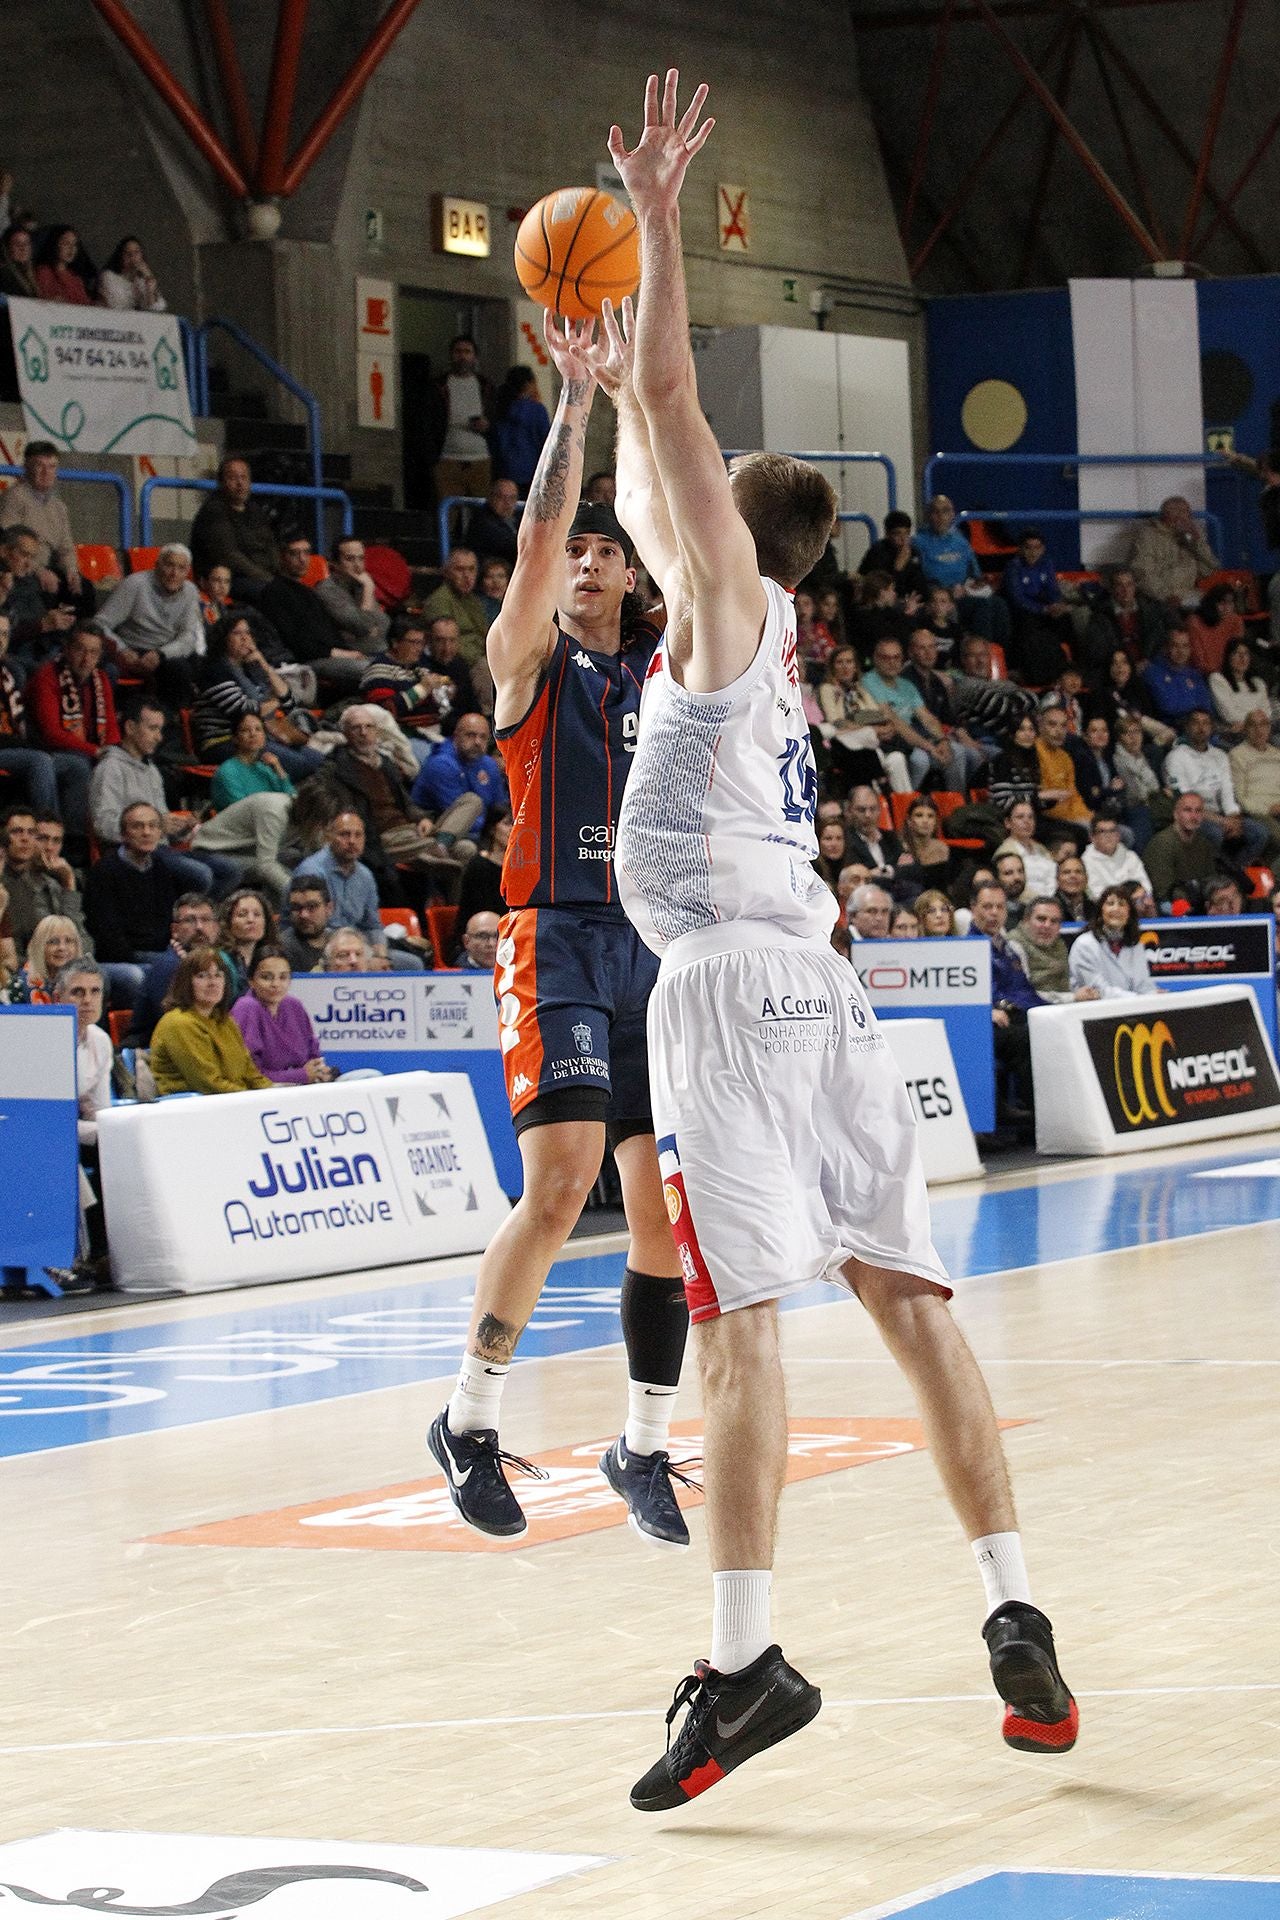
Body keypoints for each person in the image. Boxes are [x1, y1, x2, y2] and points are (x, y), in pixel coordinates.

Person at [605, 73, 1073, 1810]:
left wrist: (656, 210)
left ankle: (743, 1666)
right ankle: (1011, 1605)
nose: (677, 511)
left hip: (728, 992)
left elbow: (672, 403)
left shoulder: (725, 612)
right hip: (825, 993)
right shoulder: (748, 623)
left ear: (736, 532)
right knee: (915, 1306)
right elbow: (653, 471)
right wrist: (587, 402)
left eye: (697, 506)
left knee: (743, 1336)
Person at [427, 300, 690, 1561]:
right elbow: (532, 536)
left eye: (605, 552)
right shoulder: (527, 662)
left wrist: (649, 393)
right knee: (564, 1181)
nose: (584, 563)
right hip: (553, 935)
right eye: (575, 552)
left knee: (661, 1212)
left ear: (633, 575)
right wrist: (581, 397)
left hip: (653, 946)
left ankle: (641, 1440)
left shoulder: (664, 671)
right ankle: (468, 1418)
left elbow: (697, 534)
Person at [84, 801, 213, 982]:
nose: (146, 832)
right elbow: (107, 936)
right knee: (180, 970)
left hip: (161, 952)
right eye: (138, 826)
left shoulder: (161, 867)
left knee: (208, 963)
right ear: (123, 834)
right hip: (125, 958)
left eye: (153, 826)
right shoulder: (104, 871)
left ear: (160, 832)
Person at [191, 613, 323, 783]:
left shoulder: (250, 669)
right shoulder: (215, 671)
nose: (245, 638)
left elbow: (290, 701)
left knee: (319, 760)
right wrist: (277, 702)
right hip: (222, 741)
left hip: (259, 737)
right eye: (237, 633)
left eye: (248, 633)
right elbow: (243, 711)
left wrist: (264, 665)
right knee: (301, 765)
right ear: (224, 638)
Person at [292, 808, 423, 971]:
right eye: (344, 834)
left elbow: (372, 925)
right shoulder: (312, 871)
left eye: (358, 835)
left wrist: (380, 955)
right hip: (318, 947)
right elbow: (310, 925)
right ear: (329, 837)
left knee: (412, 964)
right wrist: (362, 959)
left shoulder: (365, 875)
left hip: (357, 946)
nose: (352, 841)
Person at [51, 956, 114, 1289]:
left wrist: (106, 1127)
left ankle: (109, 1253)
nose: (87, 1000)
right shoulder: (43, 1041)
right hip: (40, 1132)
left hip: (74, 1127)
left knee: (116, 1144)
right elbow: (49, 1118)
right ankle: (76, 1256)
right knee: (64, 1152)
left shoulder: (100, 1041)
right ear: (58, 997)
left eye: (94, 992)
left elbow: (100, 1109)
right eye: (77, 992)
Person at [0, 608, 92, 830]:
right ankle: (47, 835)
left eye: (4, 635)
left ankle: (73, 846)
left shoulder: (7, 674)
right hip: (8, 749)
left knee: (76, 765)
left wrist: (32, 745)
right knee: (39, 762)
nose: (0, 640)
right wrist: (28, 748)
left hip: (16, 748)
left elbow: (22, 723)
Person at [149, 945, 272, 1096]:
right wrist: (253, 1098)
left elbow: (250, 1072)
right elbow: (208, 1083)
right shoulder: (178, 1023)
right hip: (192, 1108)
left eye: (218, 975)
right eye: (202, 976)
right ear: (186, 982)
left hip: (233, 1100)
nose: (213, 982)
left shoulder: (225, 1021)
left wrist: (272, 1093)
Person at [94, 544, 205, 709]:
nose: (174, 573)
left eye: (181, 568)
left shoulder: (190, 591)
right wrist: (121, 649)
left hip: (166, 652)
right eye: (169, 565)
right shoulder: (134, 584)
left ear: (187, 572)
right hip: (133, 649)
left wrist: (161, 654)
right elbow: (99, 623)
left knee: (186, 668)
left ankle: (172, 722)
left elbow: (189, 637)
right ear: (157, 565)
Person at [256, 533, 369, 694]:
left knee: (385, 667)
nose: (302, 559)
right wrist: (341, 653)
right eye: (294, 553)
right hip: (306, 661)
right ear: (282, 557)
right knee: (371, 670)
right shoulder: (274, 593)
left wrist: (348, 652)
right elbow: (295, 642)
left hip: (328, 655)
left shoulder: (307, 592)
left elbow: (328, 632)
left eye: (306, 553)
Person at [0, 443, 100, 617]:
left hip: (49, 567)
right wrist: (38, 571)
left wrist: (71, 571)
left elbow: (66, 548)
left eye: (52, 467)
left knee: (83, 588)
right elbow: (8, 543)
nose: (46, 472)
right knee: (38, 589)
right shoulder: (14, 498)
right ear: (26, 468)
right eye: (39, 466)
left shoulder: (59, 507)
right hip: (23, 569)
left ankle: (81, 638)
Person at [1164, 708, 1269, 865]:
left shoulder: (1220, 755)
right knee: (1215, 833)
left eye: (1206, 723)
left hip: (1221, 815)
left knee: (1260, 833)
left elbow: (1227, 790)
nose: (1201, 728)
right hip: (1194, 815)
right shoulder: (1176, 757)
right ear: (1187, 727)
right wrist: (1222, 822)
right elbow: (1184, 801)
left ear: (1212, 728)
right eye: (1196, 723)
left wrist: (1233, 819)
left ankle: (1236, 871)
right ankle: (1211, 875)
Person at [913, 494, 1010, 646]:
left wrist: (978, 584)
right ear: (928, 515)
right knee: (982, 606)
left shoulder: (960, 540)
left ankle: (1002, 658)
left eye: (945, 511)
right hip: (937, 595)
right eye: (935, 512)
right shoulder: (918, 542)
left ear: (952, 515)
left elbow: (975, 574)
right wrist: (949, 592)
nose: (940, 517)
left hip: (963, 591)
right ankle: (979, 653)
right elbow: (916, 578)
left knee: (999, 604)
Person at [232, 943, 335, 1084]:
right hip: (265, 1094)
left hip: (306, 1088)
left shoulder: (294, 1005)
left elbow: (313, 1055)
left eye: (283, 977)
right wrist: (301, 1075)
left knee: (367, 1075)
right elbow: (250, 1075)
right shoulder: (247, 1008)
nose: (275, 984)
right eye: (266, 977)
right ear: (251, 981)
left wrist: (319, 1071)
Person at [127, 891, 220, 1044]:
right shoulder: (167, 966)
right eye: (189, 920)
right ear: (174, 931)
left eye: (205, 919)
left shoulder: (218, 964)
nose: (199, 927)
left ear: (216, 928)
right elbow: (176, 1025)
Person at [0, 804, 89, 966]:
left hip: (56, 969)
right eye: (16, 832)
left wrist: (69, 882)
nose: (25, 839)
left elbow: (81, 943)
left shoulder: (49, 884)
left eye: (31, 833)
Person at [410, 712, 508, 852]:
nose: (477, 742)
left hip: (476, 834)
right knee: (474, 803)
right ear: (456, 736)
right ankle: (439, 848)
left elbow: (499, 807)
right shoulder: (441, 764)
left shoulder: (489, 765)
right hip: (433, 826)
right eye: (470, 735)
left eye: (483, 737)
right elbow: (462, 818)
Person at [816, 645, 907, 794]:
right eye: (840, 662)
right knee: (867, 733)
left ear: (855, 666)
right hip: (842, 741)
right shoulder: (827, 688)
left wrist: (885, 728)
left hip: (871, 742)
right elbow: (835, 721)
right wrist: (871, 729)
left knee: (897, 759)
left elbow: (877, 715)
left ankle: (903, 803)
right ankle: (879, 780)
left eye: (849, 662)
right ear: (833, 666)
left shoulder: (861, 689)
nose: (845, 667)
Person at [190, 456, 280, 597]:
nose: (240, 483)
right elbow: (230, 556)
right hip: (228, 580)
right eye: (233, 478)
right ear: (221, 482)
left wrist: (277, 573)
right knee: (276, 594)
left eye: (244, 477)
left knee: (301, 593)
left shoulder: (255, 510)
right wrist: (268, 579)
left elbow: (271, 544)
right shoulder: (213, 511)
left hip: (262, 577)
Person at [421, 548, 493, 704]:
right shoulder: (439, 602)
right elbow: (444, 644)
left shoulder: (474, 600)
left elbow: (483, 633)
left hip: (482, 655)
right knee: (485, 668)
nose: (467, 576)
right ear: (447, 572)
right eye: (460, 569)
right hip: (461, 661)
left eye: (471, 569)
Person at [1002, 528, 1073, 684]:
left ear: (1043, 549)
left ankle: (1068, 669)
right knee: (1028, 625)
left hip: (1045, 610)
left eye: (1037, 548)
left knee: (1066, 619)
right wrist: (1043, 609)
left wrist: (1056, 605)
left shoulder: (1046, 563)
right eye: (1028, 547)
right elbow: (1017, 599)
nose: (1033, 552)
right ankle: (1032, 674)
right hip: (1022, 613)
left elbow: (1052, 589)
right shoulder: (1013, 568)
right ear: (1020, 549)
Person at [1128, 496, 1218, 611]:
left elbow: (1209, 569)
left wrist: (1197, 543)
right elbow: (1142, 574)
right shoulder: (1147, 536)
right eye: (1182, 514)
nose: (1188, 519)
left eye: (1188, 514)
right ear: (1169, 517)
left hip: (1187, 596)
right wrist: (1166, 596)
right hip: (1156, 599)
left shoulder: (1191, 535)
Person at [435, 334, 494, 505]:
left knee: (482, 510)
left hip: (480, 459)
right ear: (451, 355)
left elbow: (496, 416)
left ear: (475, 356)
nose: (463, 356)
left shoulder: (486, 386)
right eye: (458, 352)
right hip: (448, 458)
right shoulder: (439, 385)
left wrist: (487, 425)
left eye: (467, 352)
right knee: (447, 510)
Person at [1009, 895, 1099, 1004]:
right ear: (1026, 920)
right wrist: (1072, 997)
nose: (1047, 925)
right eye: (1041, 919)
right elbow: (1022, 994)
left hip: (1064, 1009)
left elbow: (1067, 983)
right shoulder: (1013, 945)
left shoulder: (1059, 944)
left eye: (1054, 921)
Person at [1065, 885, 1153, 997]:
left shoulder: (1135, 944)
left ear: (1129, 913)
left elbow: (1143, 985)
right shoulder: (1084, 944)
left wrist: (1154, 995)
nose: (1116, 909)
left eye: (1121, 904)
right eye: (1110, 904)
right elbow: (1098, 990)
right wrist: (1137, 998)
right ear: (1100, 912)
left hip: (1131, 1008)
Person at [1143, 791, 1224, 911]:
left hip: (1197, 903)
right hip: (1166, 907)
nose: (1193, 816)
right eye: (1187, 810)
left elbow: (1210, 882)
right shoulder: (1163, 843)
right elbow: (1163, 892)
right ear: (1176, 814)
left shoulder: (1204, 843)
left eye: (1198, 811)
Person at [313, 537, 390, 655]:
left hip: (378, 652)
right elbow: (364, 626)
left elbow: (384, 623)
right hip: (350, 655)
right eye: (350, 559)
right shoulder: (326, 590)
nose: (358, 565)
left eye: (361, 558)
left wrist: (364, 630)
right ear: (334, 564)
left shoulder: (359, 586)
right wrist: (369, 589)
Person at [491, 367, 552, 493]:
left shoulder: (501, 407)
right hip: (531, 470)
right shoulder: (537, 410)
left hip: (503, 469)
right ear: (528, 384)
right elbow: (547, 442)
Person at [1229, 708, 1280, 859]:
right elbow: (1240, 797)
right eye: (1253, 725)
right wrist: (1268, 809)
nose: (1259, 730)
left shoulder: (1277, 753)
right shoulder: (1237, 755)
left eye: (1264, 724)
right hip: (1259, 811)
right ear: (1245, 729)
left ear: (1269, 728)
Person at [1034, 699, 1090, 834]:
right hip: (1046, 818)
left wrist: (1087, 816)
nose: (1059, 731)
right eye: (1052, 725)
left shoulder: (1065, 757)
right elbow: (1044, 803)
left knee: (1119, 832)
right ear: (1040, 726)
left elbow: (1073, 795)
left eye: (1063, 726)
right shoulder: (1033, 754)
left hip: (1072, 815)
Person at [1142, 629, 1213, 731]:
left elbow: (1206, 706)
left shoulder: (1195, 674)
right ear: (1166, 648)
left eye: (1185, 646)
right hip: (1172, 730)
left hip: (1200, 727)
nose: (1181, 651)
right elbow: (1169, 706)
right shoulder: (1152, 672)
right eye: (1175, 646)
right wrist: (1195, 707)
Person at [455, 811, 510, 940]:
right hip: (480, 937)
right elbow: (481, 909)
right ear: (491, 828)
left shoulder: (520, 867)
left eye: (515, 823)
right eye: (507, 823)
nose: (513, 829)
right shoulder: (479, 866)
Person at [217, 887, 276, 1001]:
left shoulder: (272, 957)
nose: (250, 920)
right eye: (242, 914)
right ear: (228, 922)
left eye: (257, 914)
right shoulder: (220, 960)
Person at [1209, 638, 1269, 746]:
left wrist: (1249, 723)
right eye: (1237, 653)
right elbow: (1230, 714)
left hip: (1261, 731)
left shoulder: (1258, 683)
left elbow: (1267, 712)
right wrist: (1255, 723)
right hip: (1238, 733)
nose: (1242, 657)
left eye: (1246, 653)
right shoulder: (1217, 679)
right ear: (1228, 657)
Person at [857, 508, 926, 599]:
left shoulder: (913, 552)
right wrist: (897, 569)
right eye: (897, 534)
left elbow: (919, 585)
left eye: (906, 533)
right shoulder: (877, 552)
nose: (903, 539)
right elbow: (878, 589)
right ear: (887, 534)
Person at [994, 799, 1057, 897]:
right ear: (1008, 823)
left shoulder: (1041, 849)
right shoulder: (1004, 852)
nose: (1027, 821)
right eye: (1020, 817)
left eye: (1030, 817)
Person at [1082, 813, 1152, 900]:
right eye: (1102, 831)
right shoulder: (1085, 862)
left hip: (1136, 905)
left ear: (1118, 835)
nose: (1108, 835)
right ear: (1092, 837)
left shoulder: (1131, 856)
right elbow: (1095, 894)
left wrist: (1141, 893)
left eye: (1112, 831)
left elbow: (1146, 886)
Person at [1186, 580, 1244, 678]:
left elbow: (1239, 653)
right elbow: (1199, 662)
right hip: (1203, 676)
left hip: (1230, 674)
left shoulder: (1235, 621)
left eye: (1230, 603)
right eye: (1222, 603)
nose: (1227, 608)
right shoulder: (1194, 622)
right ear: (1212, 603)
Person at [462, 477, 521, 572]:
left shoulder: (517, 519)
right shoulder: (481, 521)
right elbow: (509, 545)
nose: (507, 503)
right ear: (491, 497)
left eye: (512, 498)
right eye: (502, 497)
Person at [97, 234, 165, 311]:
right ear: (120, 256)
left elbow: (157, 308)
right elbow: (115, 305)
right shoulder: (108, 276)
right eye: (127, 253)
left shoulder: (141, 281)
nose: (132, 257)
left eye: (136, 252)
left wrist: (149, 280)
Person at [34, 226, 94, 304]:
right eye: (66, 243)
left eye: (74, 244)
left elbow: (86, 303)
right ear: (55, 244)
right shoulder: (44, 272)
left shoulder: (76, 278)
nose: (71, 249)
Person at [1054, 848, 1091, 923]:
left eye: (1078, 872)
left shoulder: (1097, 909)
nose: (1073, 876)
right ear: (1057, 880)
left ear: (1086, 879)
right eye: (1067, 872)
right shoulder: (1049, 908)